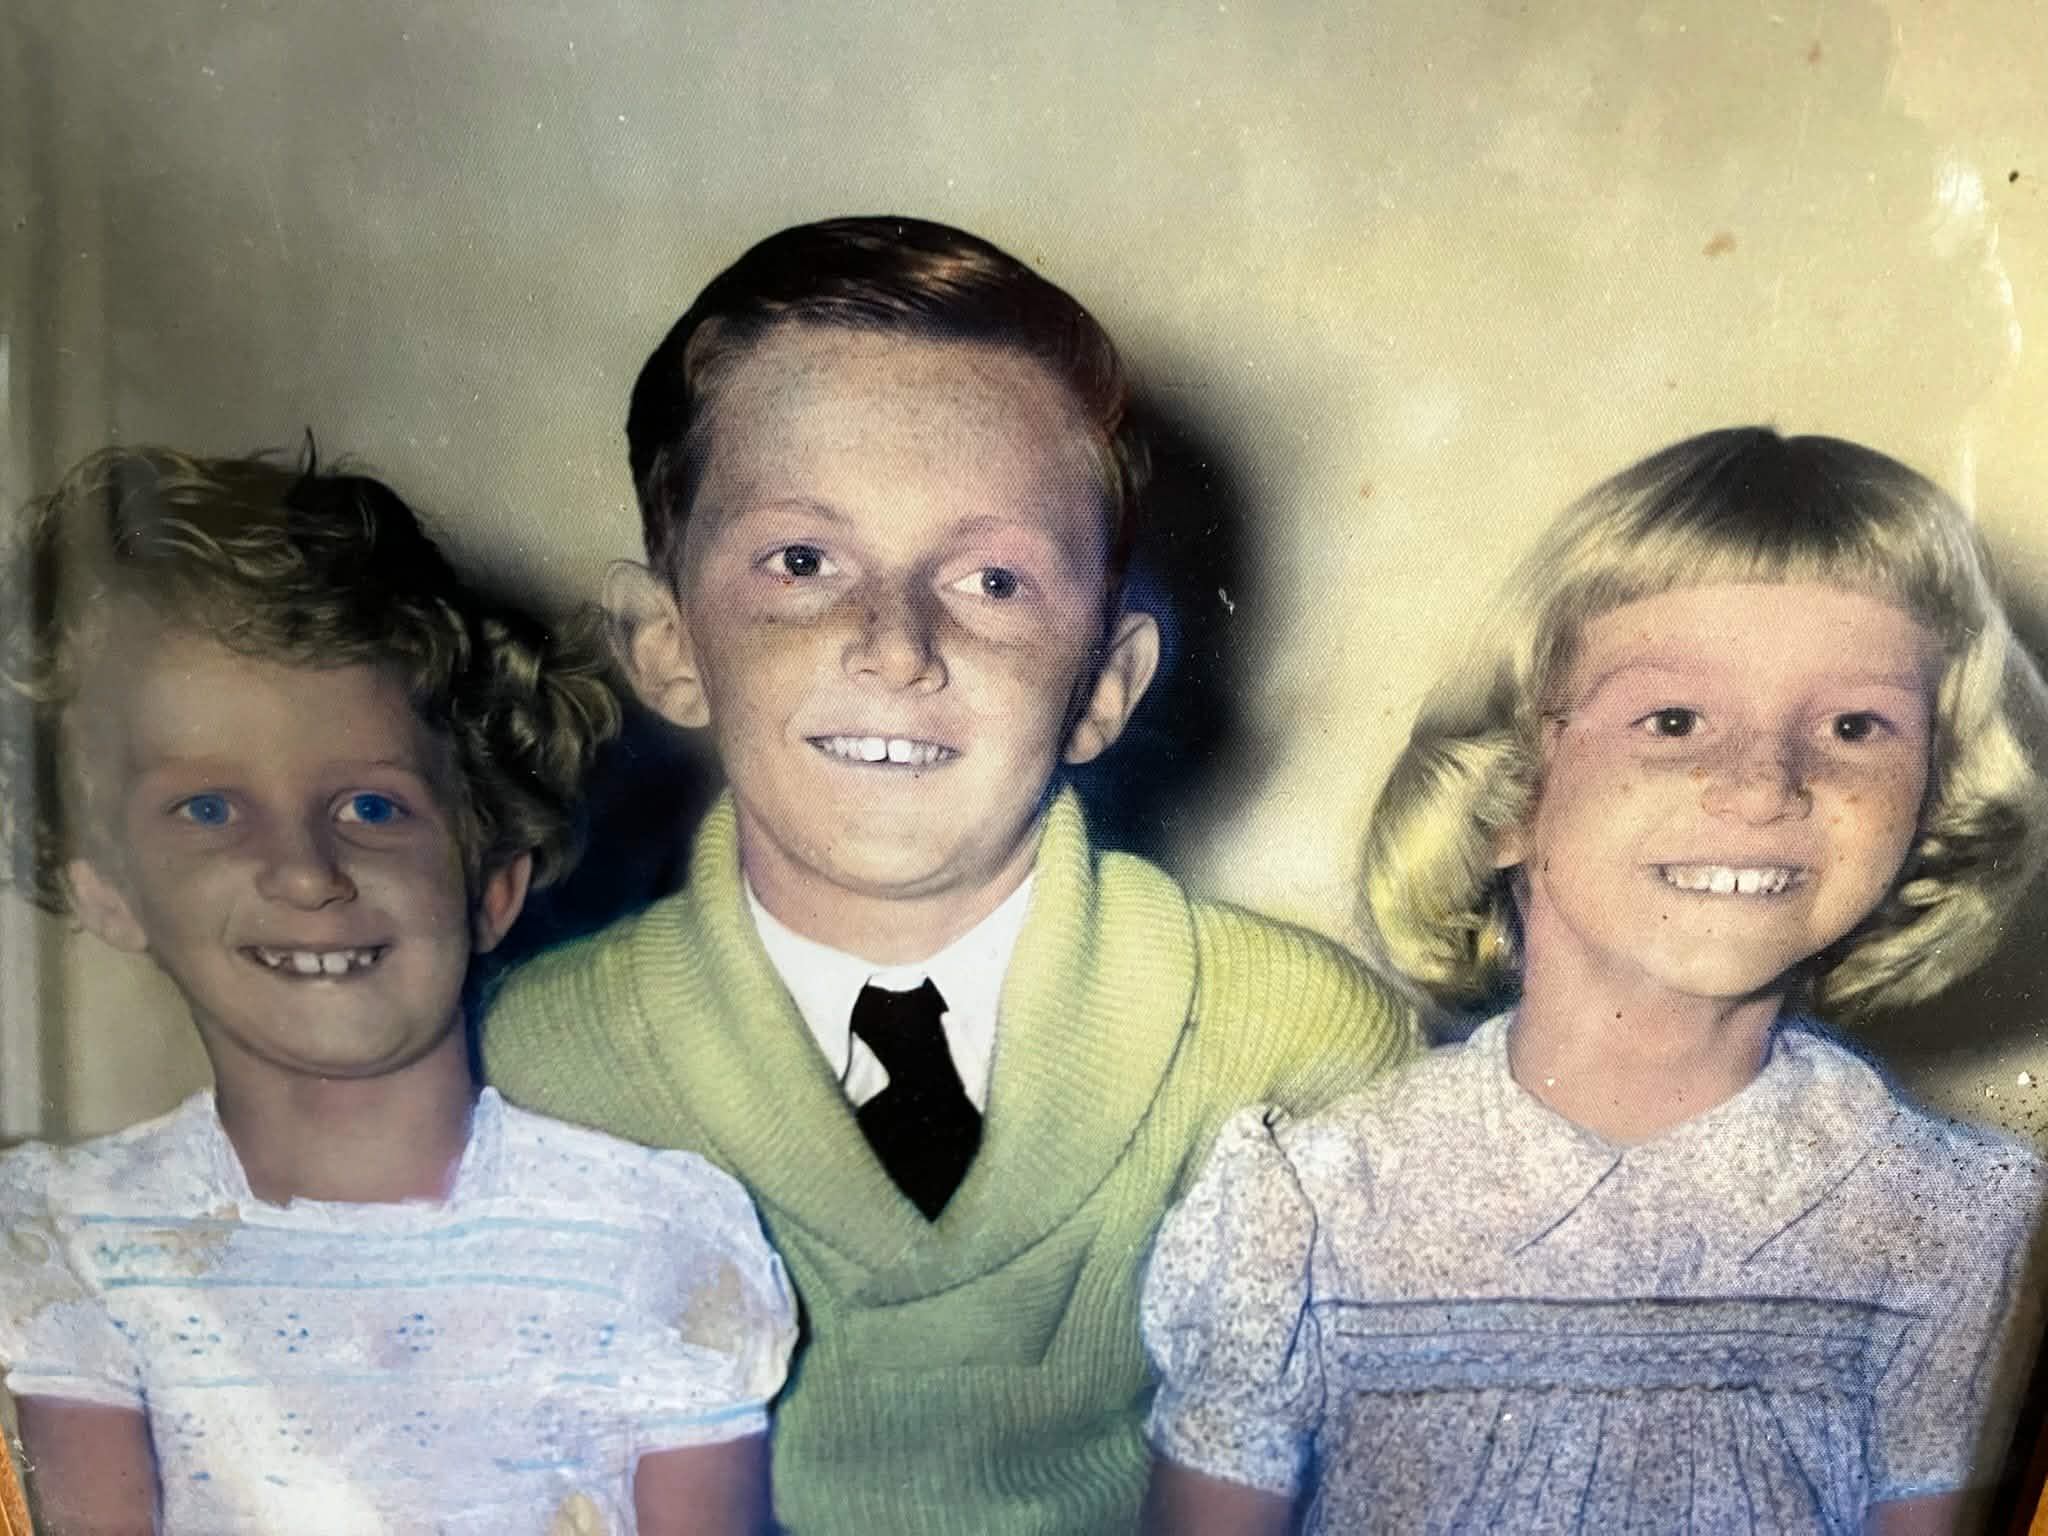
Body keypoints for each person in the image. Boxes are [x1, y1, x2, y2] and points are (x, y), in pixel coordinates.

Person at [481, 215, 1419, 1535]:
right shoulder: (533, 1071)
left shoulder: (1300, 1051)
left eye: (990, 579)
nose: (894, 644)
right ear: (668, 644)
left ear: (1105, 685)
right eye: (803, 563)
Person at [1141, 426, 2048, 1535]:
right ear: (1510, 792)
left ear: (1932, 804)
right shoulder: (1311, 1203)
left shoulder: (1951, 1225)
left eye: (1854, 727)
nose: (1764, 784)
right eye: (1673, 721)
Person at [0, 447, 796, 1535]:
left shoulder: (650, 1235)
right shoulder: (76, 1239)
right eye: (210, 809)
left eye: (371, 808)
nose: (304, 872)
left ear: (492, 886)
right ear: (107, 889)